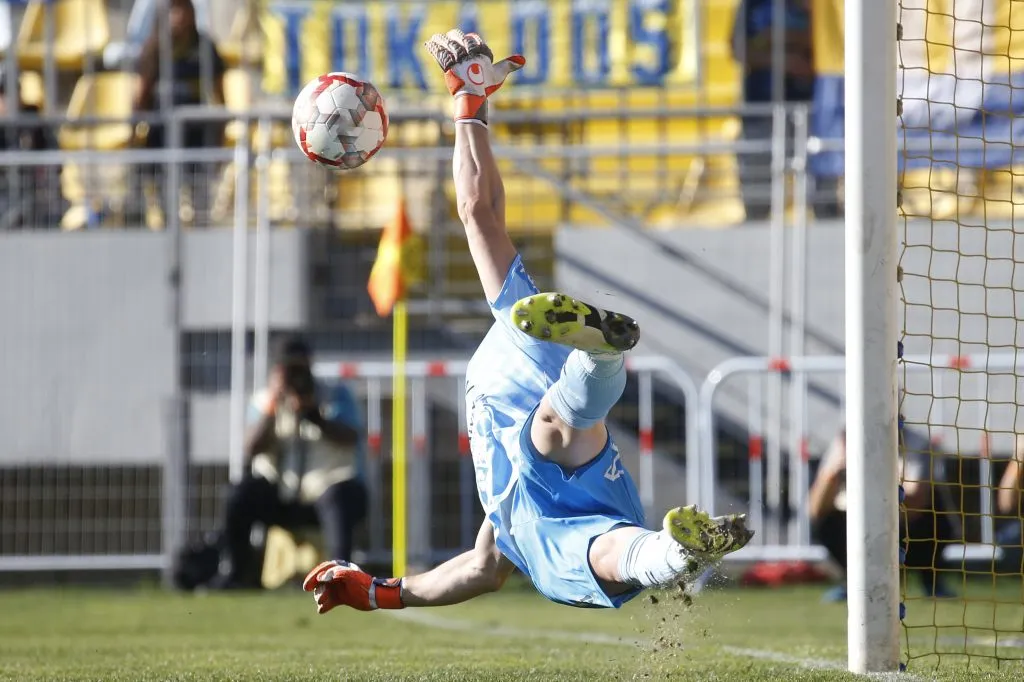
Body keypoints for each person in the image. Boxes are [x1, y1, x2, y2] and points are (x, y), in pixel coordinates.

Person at [300, 30, 752, 615]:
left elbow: (482, 573)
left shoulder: (511, 519)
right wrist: (469, 105)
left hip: (553, 459)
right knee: (572, 457)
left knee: (594, 532)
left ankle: (664, 537)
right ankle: (603, 360)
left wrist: (385, 594)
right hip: (542, 377)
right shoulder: (504, 503)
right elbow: (476, 209)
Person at [213, 336, 368, 589]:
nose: (297, 375)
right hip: (279, 491)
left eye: (301, 367)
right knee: (238, 494)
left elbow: (350, 437)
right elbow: (251, 447)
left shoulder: (334, 394)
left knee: (341, 499)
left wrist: (315, 416)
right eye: (290, 368)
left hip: (325, 490)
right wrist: (273, 405)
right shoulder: (264, 400)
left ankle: (340, 577)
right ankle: (238, 572)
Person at [809, 425, 957, 602]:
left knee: (935, 513)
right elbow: (814, 508)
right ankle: (853, 582)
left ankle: (931, 582)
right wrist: (835, 470)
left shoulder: (917, 443)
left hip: (903, 526)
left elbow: (916, 501)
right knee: (825, 523)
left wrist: (879, 503)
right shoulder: (844, 441)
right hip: (858, 527)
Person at [132, 0, 225, 229]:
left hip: (196, 134)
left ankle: (202, 229)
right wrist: (133, 135)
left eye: (183, 10)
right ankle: (167, 227)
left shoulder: (205, 47)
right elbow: (141, 97)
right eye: (173, 11)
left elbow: (220, 98)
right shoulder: (154, 48)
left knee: (199, 190)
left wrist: (220, 137)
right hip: (162, 133)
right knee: (165, 189)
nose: (179, 17)